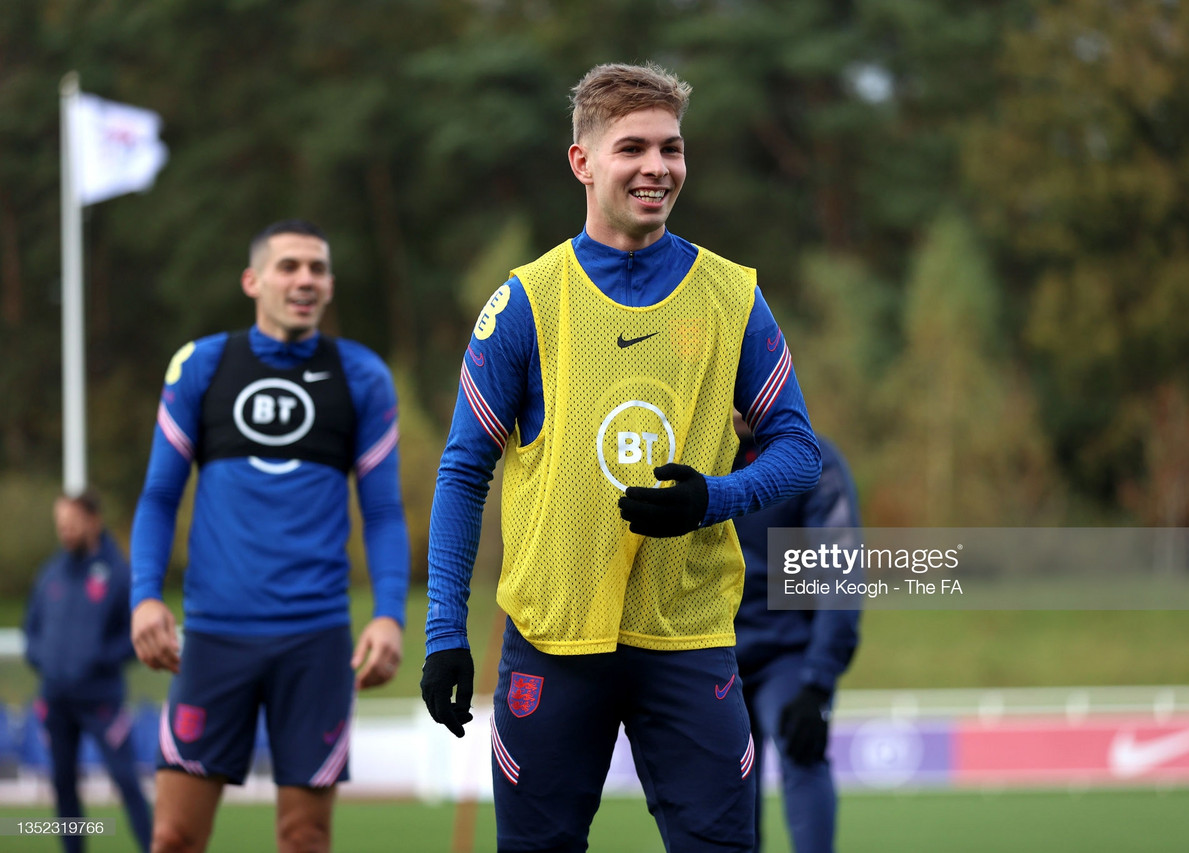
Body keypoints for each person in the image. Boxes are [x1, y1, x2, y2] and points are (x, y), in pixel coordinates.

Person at [419, 62, 822, 852]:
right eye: (632, 147)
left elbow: (798, 450)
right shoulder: (527, 300)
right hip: (552, 638)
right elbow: (465, 471)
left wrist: (713, 497)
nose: (657, 168)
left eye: (671, 148)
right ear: (583, 163)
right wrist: (444, 632)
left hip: (689, 634)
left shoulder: (733, 294)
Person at [129, 219, 410, 852]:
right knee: (173, 835)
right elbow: (159, 496)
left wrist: (389, 614)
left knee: (305, 836)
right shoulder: (201, 366)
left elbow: (385, 514)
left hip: (314, 643)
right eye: (288, 267)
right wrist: (145, 595)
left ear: (330, 285)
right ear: (253, 280)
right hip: (214, 639)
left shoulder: (362, 377)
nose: (304, 279)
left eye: (316, 268)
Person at [731, 418, 861, 853]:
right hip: (706, 656)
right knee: (721, 792)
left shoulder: (813, 461)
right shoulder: (686, 454)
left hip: (787, 656)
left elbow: (840, 573)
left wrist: (817, 683)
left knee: (803, 755)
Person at [23, 489, 154, 853]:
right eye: (61, 524)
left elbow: (134, 635)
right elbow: (31, 630)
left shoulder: (118, 573)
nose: (66, 531)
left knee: (126, 780)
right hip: (56, 699)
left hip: (101, 701)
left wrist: (97, 660)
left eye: (73, 523)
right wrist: (45, 659)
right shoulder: (51, 573)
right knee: (63, 784)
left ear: (94, 521)